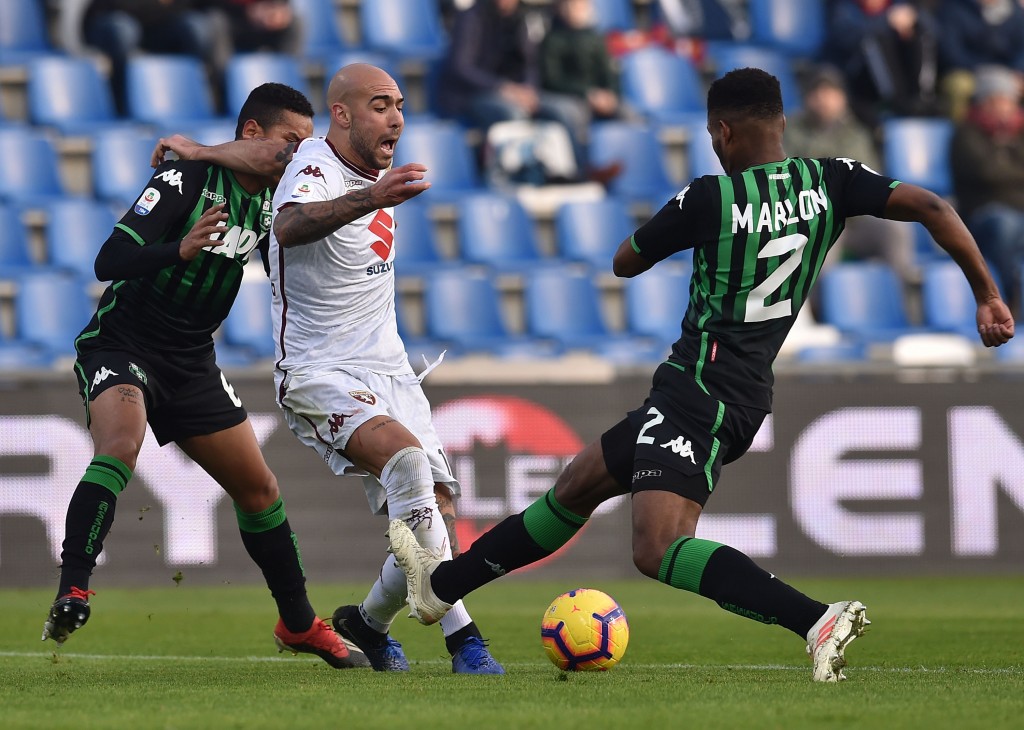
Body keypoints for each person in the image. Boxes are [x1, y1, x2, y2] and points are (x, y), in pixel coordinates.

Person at [388, 67, 1015, 683]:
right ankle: (441, 587)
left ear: (722, 132)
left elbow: (626, 261)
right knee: (578, 486)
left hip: (701, 391)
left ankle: (816, 619)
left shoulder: (711, 198)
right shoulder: (832, 180)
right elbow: (932, 206)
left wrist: (684, 218)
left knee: (657, 547)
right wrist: (987, 295)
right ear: (782, 124)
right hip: (734, 389)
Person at [154, 64, 506, 674]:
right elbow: (288, 226)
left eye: (400, 105)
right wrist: (371, 197)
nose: (396, 118)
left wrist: (201, 147)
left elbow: (256, 154)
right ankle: (465, 640)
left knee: (437, 508)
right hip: (320, 371)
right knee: (406, 463)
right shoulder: (314, 166)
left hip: (390, 368)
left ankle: (367, 623)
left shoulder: (368, 171)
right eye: (380, 105)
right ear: (341, 114)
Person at [42, 83, 370, 670]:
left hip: (192, 361)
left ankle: (298, 624)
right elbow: (107, 261)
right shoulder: (185, 180)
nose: (298, 154)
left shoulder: (275, 201)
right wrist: (179, 250)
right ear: (252, 133)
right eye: (290, 140)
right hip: (124, 344)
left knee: (260, 490)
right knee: (121, 444)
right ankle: (73, 590)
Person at [437, 0, 606, 181]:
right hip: (474, 94)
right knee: (514, 114)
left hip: (515, 92)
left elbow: (530, 64)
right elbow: (461, 68)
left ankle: (577, 174)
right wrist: (502, 87)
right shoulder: (471, 18)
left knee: (565, 110)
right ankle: (526, 176)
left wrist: (528, 90)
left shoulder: (521, 18)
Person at [785, 65, 919, 288]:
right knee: (820, 249)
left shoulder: (856, 132)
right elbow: (790, 176)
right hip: (813, 220)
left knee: (895, 230)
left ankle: (901, 298)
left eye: (831, 92)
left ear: (843, 98)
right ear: (807, 97)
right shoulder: (791, 130)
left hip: (855, 219)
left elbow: (869, 178)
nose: (824, 99)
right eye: (817, 92)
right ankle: (816, 305)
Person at [950, 64, 1024, 308]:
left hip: (1018, 210)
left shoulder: (1019, 132)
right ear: (984, 101)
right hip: (982, 215)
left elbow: (997, 171)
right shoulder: (966, 133)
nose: (1003, 105)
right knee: (1005, 226)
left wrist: (1003, 159)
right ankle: (1007, 300)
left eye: (1007, 99)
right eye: (997, 99)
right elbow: (986, 172)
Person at [82, 0, 229, 114]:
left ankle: (188, 101)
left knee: (197, 27)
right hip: (110, 19)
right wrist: (162, 5)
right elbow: (122, 5)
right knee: (124, 30)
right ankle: (120, 105)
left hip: (158, 24)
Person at [825, 0, 940, 127]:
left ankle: (922, 97)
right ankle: (895, 102)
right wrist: (887, 21)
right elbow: (846, 37)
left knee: (921, 35)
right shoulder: (846, 8)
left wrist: (914, 18)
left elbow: (936, 31)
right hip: (863, 80)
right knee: (875, 42)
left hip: (905, 77)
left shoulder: (900, 5)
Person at [936, 0, 1024, 121]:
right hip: (966, 70)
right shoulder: (953, 8)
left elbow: (1021, 49)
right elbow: (950, 52)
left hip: (1007, 71)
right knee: (959, 86)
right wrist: (986, 72)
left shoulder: (1015, 10)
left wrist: (1017, 69)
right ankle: (958, 128)